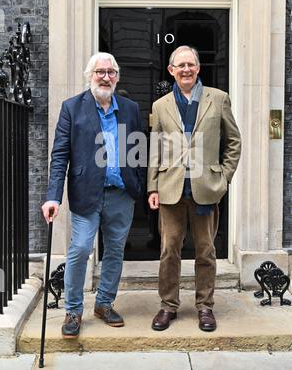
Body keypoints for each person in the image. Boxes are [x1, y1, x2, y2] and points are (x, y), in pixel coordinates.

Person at [42, 52, 143, 338]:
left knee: (115, 251)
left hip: (121, 194)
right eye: (100, 72)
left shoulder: (130, 108)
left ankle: (104, 303)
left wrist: (142, 185)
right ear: (90, 76)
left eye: (111, 72)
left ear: (117, 77)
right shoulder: (72, 108)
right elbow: (60, 155)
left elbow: (140, 150)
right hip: (86, 193)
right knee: (81, 249)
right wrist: (53, 197)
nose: (106, 77)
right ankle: (73, 309)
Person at [147, 45, 241, 332]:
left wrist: (224, 177)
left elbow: (233, 142)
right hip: (171, 190)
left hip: (205, 189)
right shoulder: (160, 105)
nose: (186, 69)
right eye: (180, 65)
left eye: (191, 64)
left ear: (198, 68)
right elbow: (155, 148)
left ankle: (205, 307)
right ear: (171, 70)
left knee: (206, 251)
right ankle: (168, 305)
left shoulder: (219, 98)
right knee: (169, 251)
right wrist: (152, 187)